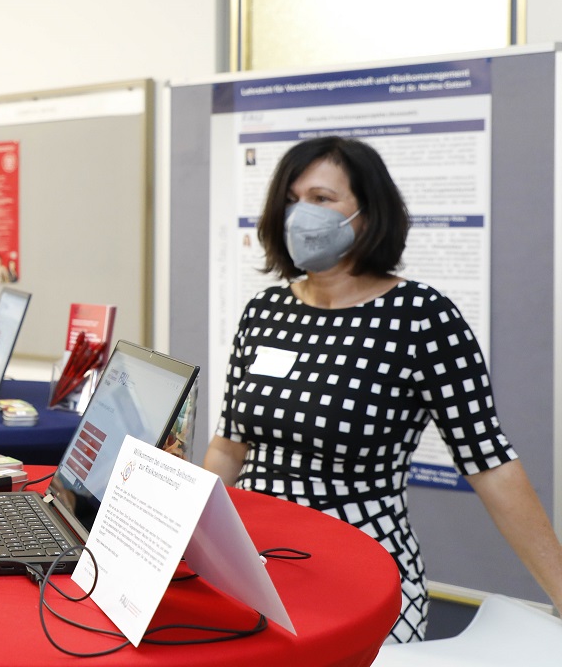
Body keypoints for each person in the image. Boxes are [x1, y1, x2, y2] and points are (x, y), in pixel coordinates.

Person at [203, 136, 562, 643]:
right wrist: (181, 532)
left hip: (361, 562)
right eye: (291, 198)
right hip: (252, 561)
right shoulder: (265, 311)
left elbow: (491, 463)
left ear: (368, 215)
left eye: (322, 199)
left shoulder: (422, 317)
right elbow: (228, 444)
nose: (300, 214)